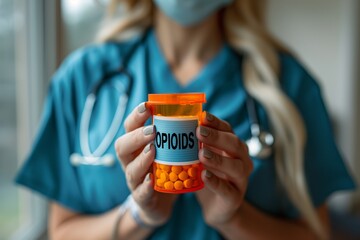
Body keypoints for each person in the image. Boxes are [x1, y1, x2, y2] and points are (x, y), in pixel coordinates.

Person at [15, 0, 355, 239]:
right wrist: (140, 216)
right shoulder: (82, 78)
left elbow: (316, 235)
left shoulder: (290, 85)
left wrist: (235, 219)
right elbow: (61, 232)